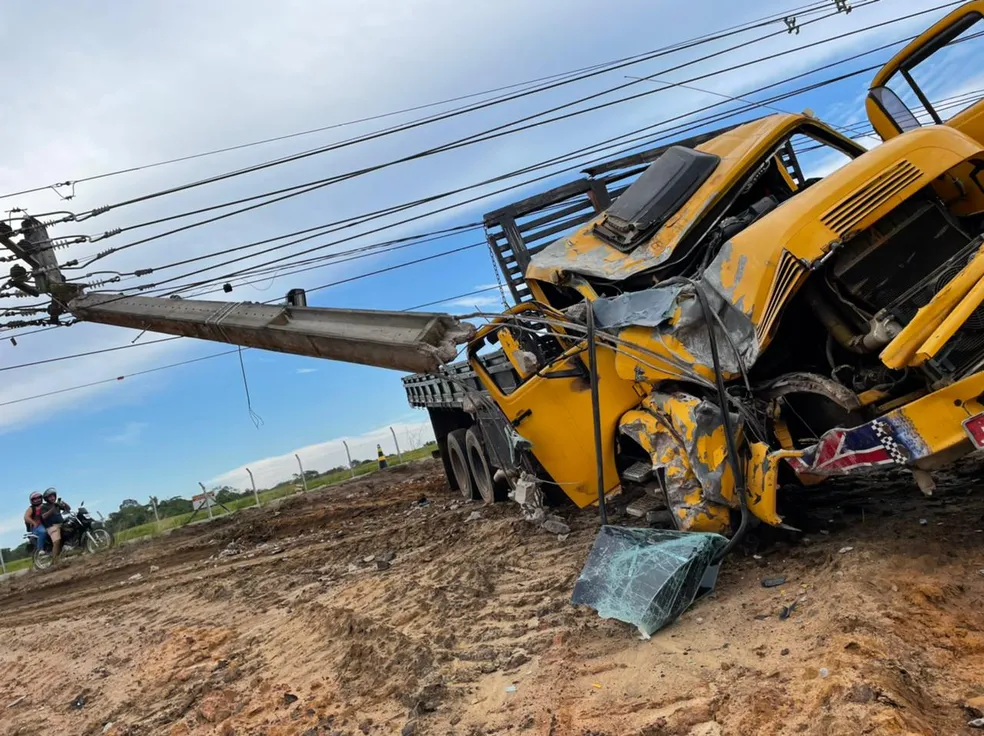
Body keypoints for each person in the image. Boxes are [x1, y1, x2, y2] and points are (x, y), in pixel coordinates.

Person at [40, 488, 70, 563]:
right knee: (57, 541)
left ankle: (69, 545)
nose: (52, 498)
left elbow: (68, 509)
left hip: (61, 524)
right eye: (50, 497)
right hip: (52, 527)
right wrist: (54, 507)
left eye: (53, 496)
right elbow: (44, 516)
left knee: (71, 526)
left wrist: (64, 503)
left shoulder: (57, 504)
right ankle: (54, 561)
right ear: (46, 498)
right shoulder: (44, 506)